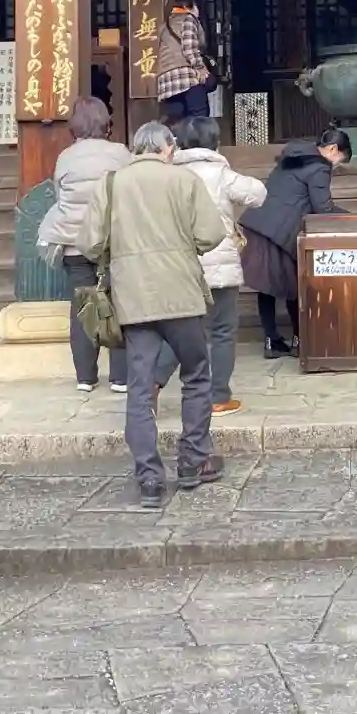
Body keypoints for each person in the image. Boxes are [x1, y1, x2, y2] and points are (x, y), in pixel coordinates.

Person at [95, 119, 227, 508]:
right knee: (196, 374)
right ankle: (193, 460)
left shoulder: (112, 183)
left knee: (139, 388)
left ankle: (150, 479)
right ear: (168, 148)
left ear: (137, 148)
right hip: (181, 293)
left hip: (133, 299)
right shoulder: (184, 180)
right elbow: (211, 234)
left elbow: (90, 242)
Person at [35, 94, 131, 394]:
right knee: (119, 305)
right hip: (112, 242)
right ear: (105, 122)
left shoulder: (66, 157)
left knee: (83, 307)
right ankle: (120, 377)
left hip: (73, 242)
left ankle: (86, 378)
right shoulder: (120, 154)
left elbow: (59, 195)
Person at [173, 116, 267, 415]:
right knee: (222, 331)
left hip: (180, 264)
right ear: (215, 141)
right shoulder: (222, 174)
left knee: (176, 329)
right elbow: (258, 194)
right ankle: (218, 397)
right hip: (219, 263)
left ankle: (151, 388)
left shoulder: (170, 173)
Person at [240, 127, 352, 357]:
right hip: (280, 232)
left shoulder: (294, 156)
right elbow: (323, 208)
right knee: (295, 285)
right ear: (333, 149)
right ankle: (300, 341)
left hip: (258, 224)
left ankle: (272, 341)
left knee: (266, 287)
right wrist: (351, 218)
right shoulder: (320, 166)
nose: (337, 165)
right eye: (340, 159)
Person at [156, 0, 212, 124]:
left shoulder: (164, 26)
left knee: (177, 122)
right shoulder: (188, 19)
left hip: (166, 84)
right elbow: (189, 48)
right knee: (199, 118)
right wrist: (201, 69)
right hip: (186, 78)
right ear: (189, 5)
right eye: (197, 5)